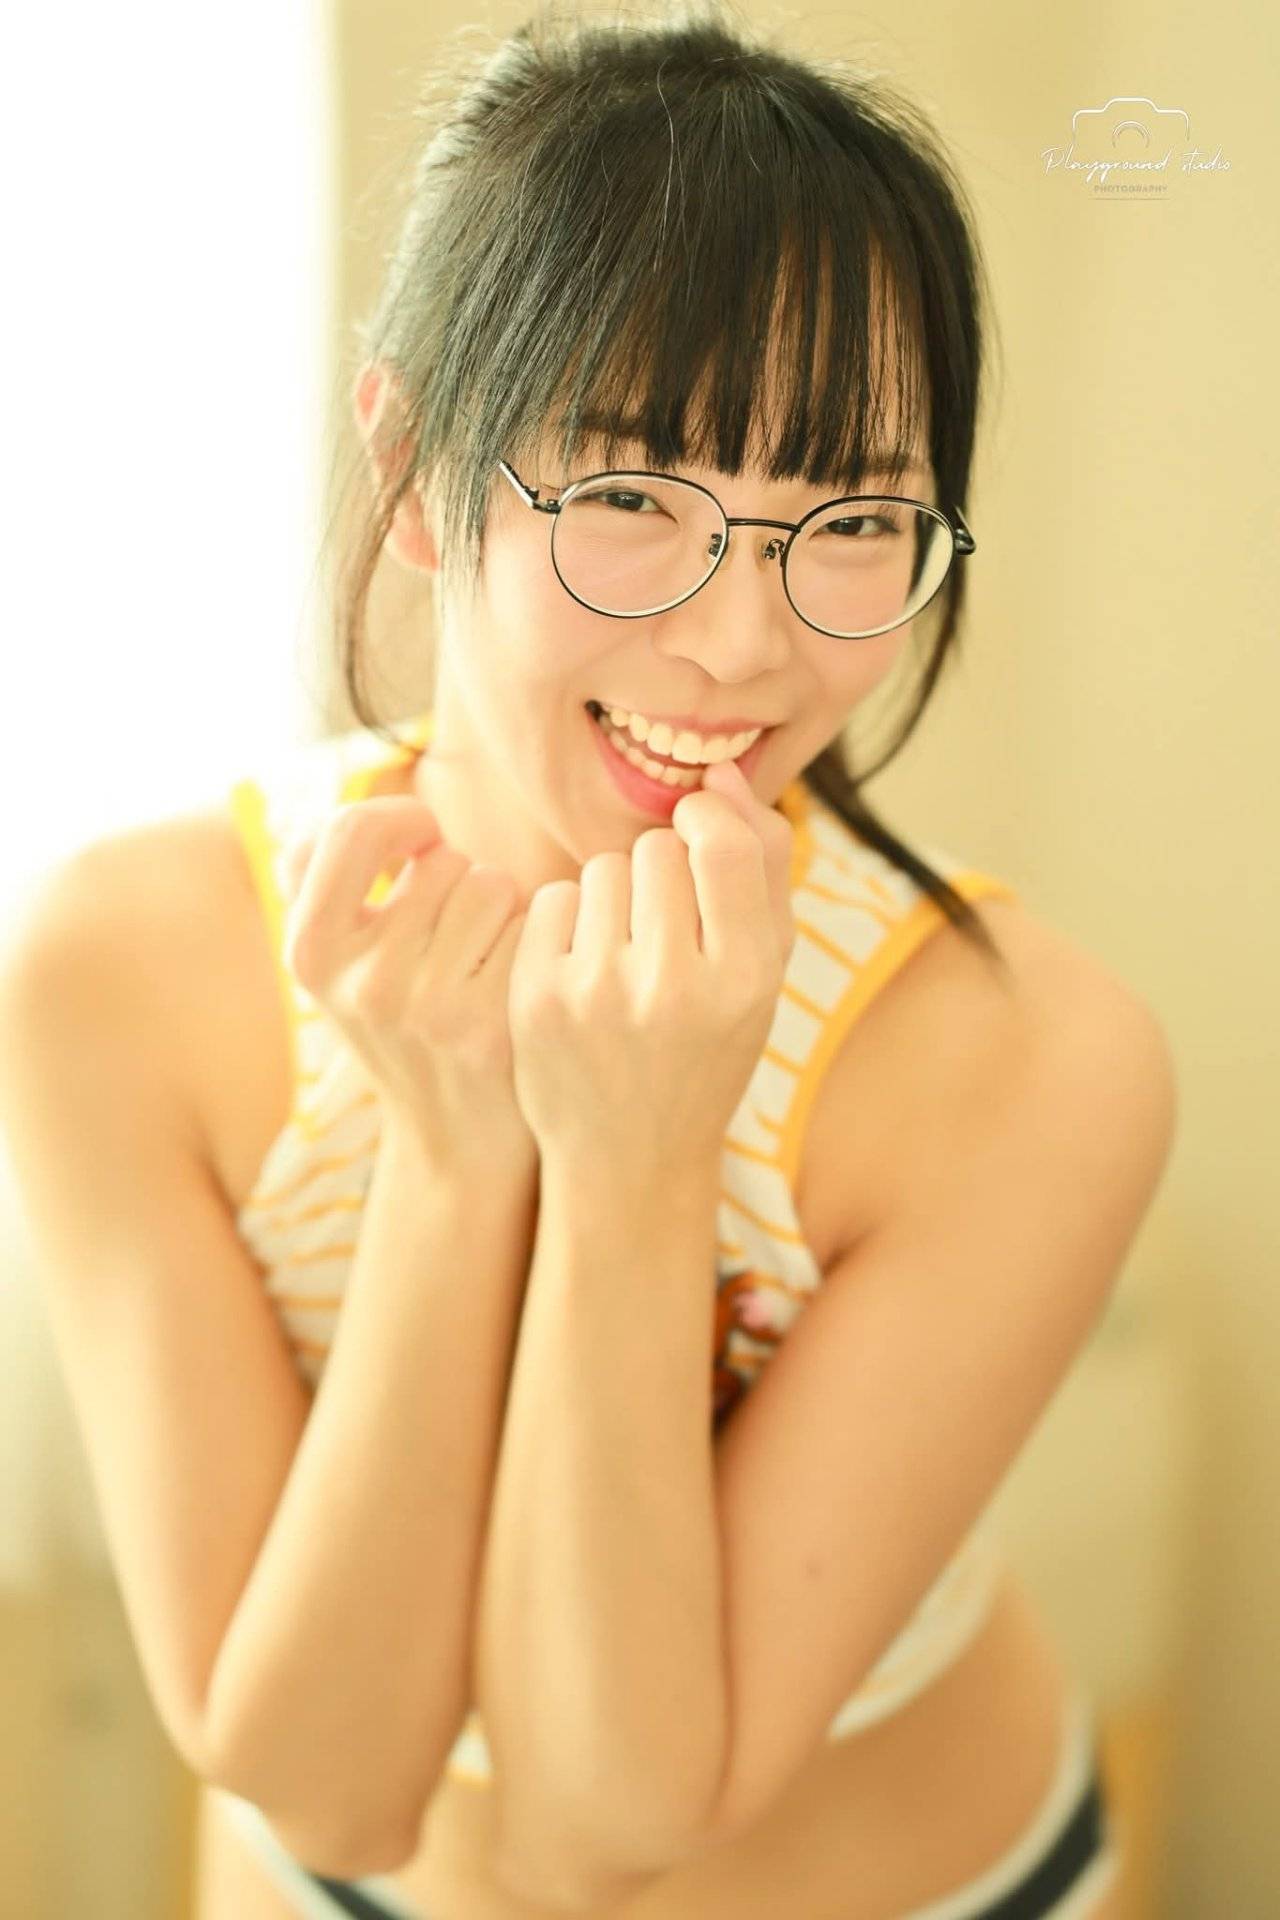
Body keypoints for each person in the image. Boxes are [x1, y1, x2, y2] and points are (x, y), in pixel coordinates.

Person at [0, 3, 1177, 1916]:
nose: (741, 643)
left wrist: (636, 1158)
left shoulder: (1032, 1057)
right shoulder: (125, 967)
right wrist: (455, 1148)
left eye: (851, 519)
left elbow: (604, 1825)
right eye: (631, 496)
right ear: (413, 467)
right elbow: (327, 1787)